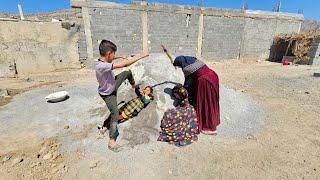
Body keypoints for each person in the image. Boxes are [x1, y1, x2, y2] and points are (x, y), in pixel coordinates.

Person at [95, 40, 149, 151]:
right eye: (114, 53)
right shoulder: (101, 66)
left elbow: (112, 59)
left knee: (127, 73)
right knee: (115, 114)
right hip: (108, 94)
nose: (114, 56)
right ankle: (111, 141)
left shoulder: (102, 59)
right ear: (109, 53)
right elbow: (124, 64)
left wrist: (120, 56)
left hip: (113, 83)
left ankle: (134, 86)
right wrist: (141, 56)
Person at [173, 56, 220, 135]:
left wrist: (182, 91)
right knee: (212, 101)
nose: (180, 67)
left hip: (206, 82)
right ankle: (214, 121)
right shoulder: (192, 60)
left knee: (206, 103)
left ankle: (209, 127)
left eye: (179, 66)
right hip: (213, 76)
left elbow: (189, 82)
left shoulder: (187, 68)